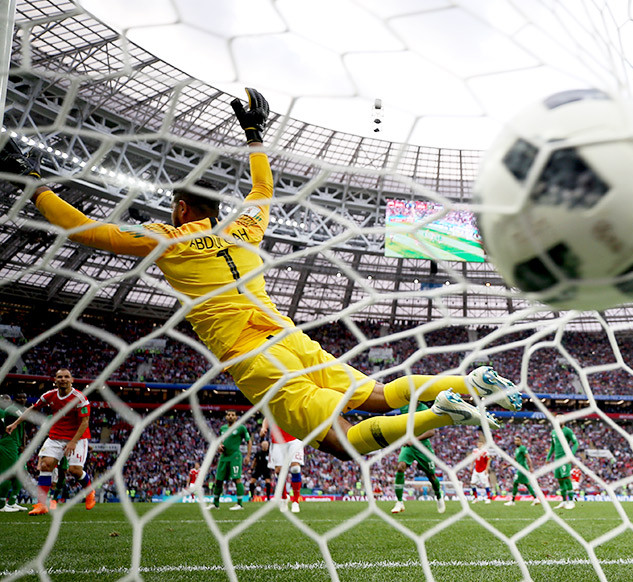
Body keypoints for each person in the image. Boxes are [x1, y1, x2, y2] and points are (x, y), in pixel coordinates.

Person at [0, 88, 522, 461]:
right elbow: (262, 190)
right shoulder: (243, 230)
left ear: (180, 209)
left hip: (251, 352)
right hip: (289, 335)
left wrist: (33, 182)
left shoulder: (167, 239)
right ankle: (470, 381)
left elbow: (85, 229)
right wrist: (254, 135)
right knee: (376, 396)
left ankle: (443, 411)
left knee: (342, 443)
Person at [5, 369, 95, 515]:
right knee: (45, 465)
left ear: (72, 380)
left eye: (66, 377)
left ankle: (89, 491)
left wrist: (73, 442)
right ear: (55, 380)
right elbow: (33, 408)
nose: (63, 379)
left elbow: (85, 422)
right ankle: (42, 504)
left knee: (74, 470)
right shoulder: (49, 395)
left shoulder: (80, 398)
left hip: (77, 437)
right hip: (56, 436)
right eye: (60, 377)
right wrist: (15, 423)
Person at [390, 402, 445, 514]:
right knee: (400, 467)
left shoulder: (425, 409)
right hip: (409, 446)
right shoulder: (404, 407)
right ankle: (399, 502)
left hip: (423, 447)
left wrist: (414, 440)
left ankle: (439, 496)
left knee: (431, 476)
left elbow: (431, 432)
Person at [207, 410, 252, 511]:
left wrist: (248, 456)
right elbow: (220, 442)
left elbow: (249, 441)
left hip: (235, 456)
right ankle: (215, 503)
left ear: (236, 417)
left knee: (237, 479)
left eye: (232, 415)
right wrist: (219, 446)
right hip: (224, 457)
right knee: (218, 480)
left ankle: (240, 504)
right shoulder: (222, 428)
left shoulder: (241, 428)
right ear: (226, 417)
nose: (230, 416)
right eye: (228, 415)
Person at [261, 417, 304, 512]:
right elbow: (267, 417)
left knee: (295, 468)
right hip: (277, 440)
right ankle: (284, 498)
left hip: (294, 438)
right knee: (279, 471)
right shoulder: (274, 407)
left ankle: (296, 501)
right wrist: (264, 427)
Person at [0, 393, 29, 512]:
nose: (22, 399)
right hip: (8, 443)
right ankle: (1, 504)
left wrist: (23, 445)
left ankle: (12, 502)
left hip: (17, 445)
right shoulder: (10, 410)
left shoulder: (19, 410)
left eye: (24, 397)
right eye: (19, 397)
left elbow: (23, 429)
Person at [547, 425, 579, 510]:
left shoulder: (567, 431)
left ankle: (571, 501)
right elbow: (553, 446)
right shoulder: (553, 432)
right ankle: (564, 501)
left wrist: (571, 455)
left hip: (565, 458)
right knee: (560, 480)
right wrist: (548, 457)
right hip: (557, 459)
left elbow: (576, 443)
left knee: (566, 478)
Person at [505, 436, 539, 506]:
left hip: (522, 469)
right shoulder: (516, 450)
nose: (516, 441)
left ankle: (512, 501)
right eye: (515, 440)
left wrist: (531, 467)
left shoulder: (522, 448)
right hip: (520, 469)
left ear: (521, 441)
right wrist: (507, 466)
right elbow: (514, 460)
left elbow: (528, 458)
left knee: (515, 483)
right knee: (527, 484)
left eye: (518, 440)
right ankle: (536, 499)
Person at [469, 433, 493, 503]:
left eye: (481, 444)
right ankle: (475, 498)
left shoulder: (485, 452)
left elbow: (489, 460)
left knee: (486, 484)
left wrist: (486, 469)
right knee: (472, 483)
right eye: (478, 444)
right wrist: (471, 466)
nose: (479, 445)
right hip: (476, 470)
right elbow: (473, 459)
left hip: (483, 470)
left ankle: (488, 498)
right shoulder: (475, 451)